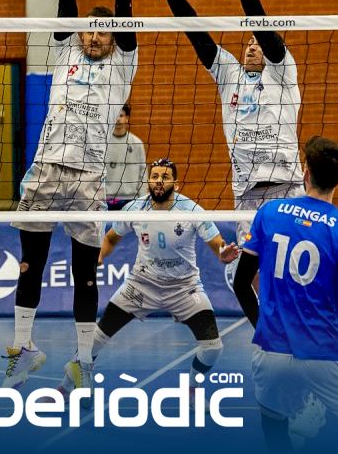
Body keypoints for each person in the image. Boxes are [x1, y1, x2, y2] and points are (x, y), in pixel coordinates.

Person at [4, 0, 138, 390]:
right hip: (45, 169)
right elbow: (64, 4)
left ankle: (83, 362)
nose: (95, 35)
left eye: (103, 30)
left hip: (88, 179)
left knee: (85, 273)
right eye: (89, 29)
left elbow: (127, 17)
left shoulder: (122, 64)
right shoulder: (65, 51)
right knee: (29, 264)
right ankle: (23, 349)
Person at [232, 136, 338, 451]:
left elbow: (241, 284)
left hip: (271, 353)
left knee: (276, 434)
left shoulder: (269, 213)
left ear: (305, 172)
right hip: (325, 353)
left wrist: (264, 329)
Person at [146, 0, 303, 250]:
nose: (252, 46)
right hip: (246, 193)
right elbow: (197, 34)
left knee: (287, 264)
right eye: (248, 43)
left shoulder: (282, 73)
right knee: (249, 266)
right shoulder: (230, 73)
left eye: (258, 43)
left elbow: (262, 26)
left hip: (287, 188)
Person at [59, 158, 237, 392]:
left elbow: (217, 243)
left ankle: (192, 388)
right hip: (142, 284)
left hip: (184, 287)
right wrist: (100, 256)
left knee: (213, 348)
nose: (159, 181)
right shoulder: (134, 208)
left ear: (176, 183)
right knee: (93, 340)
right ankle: (65, 389)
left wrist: (223, 254)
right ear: (148, 181)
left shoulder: (192, 211)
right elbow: (111, 238)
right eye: (154, 177)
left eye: (165, 177)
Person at [103, 103, 146, 211]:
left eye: (121, 115)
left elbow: (143, 172)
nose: (118, 119)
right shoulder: (103, 143)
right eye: (115, 115)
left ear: (127, 118)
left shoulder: (136, 143)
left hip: (131, 200)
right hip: (107, 199)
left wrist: (142, 199)